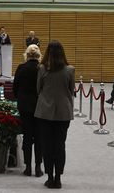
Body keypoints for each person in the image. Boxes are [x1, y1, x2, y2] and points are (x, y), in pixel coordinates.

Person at [34, 40, 74, 189]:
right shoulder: (70, 70)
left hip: (45, 112)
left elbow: (38, 89)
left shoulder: (42, 69)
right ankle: (58, 178)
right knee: (60, 145)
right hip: (63, 113)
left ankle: (50, 177)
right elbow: (71, 90)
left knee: (47, 145)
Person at [13, 44, 43, 177]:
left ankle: (28, 167)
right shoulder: (42, 69)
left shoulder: (21, 68)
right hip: (40, 106)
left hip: (24, 106)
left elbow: (15, 88)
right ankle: (38, 167)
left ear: (27, 55)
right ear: (38, 55)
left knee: (27, 137)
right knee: (39, 137)